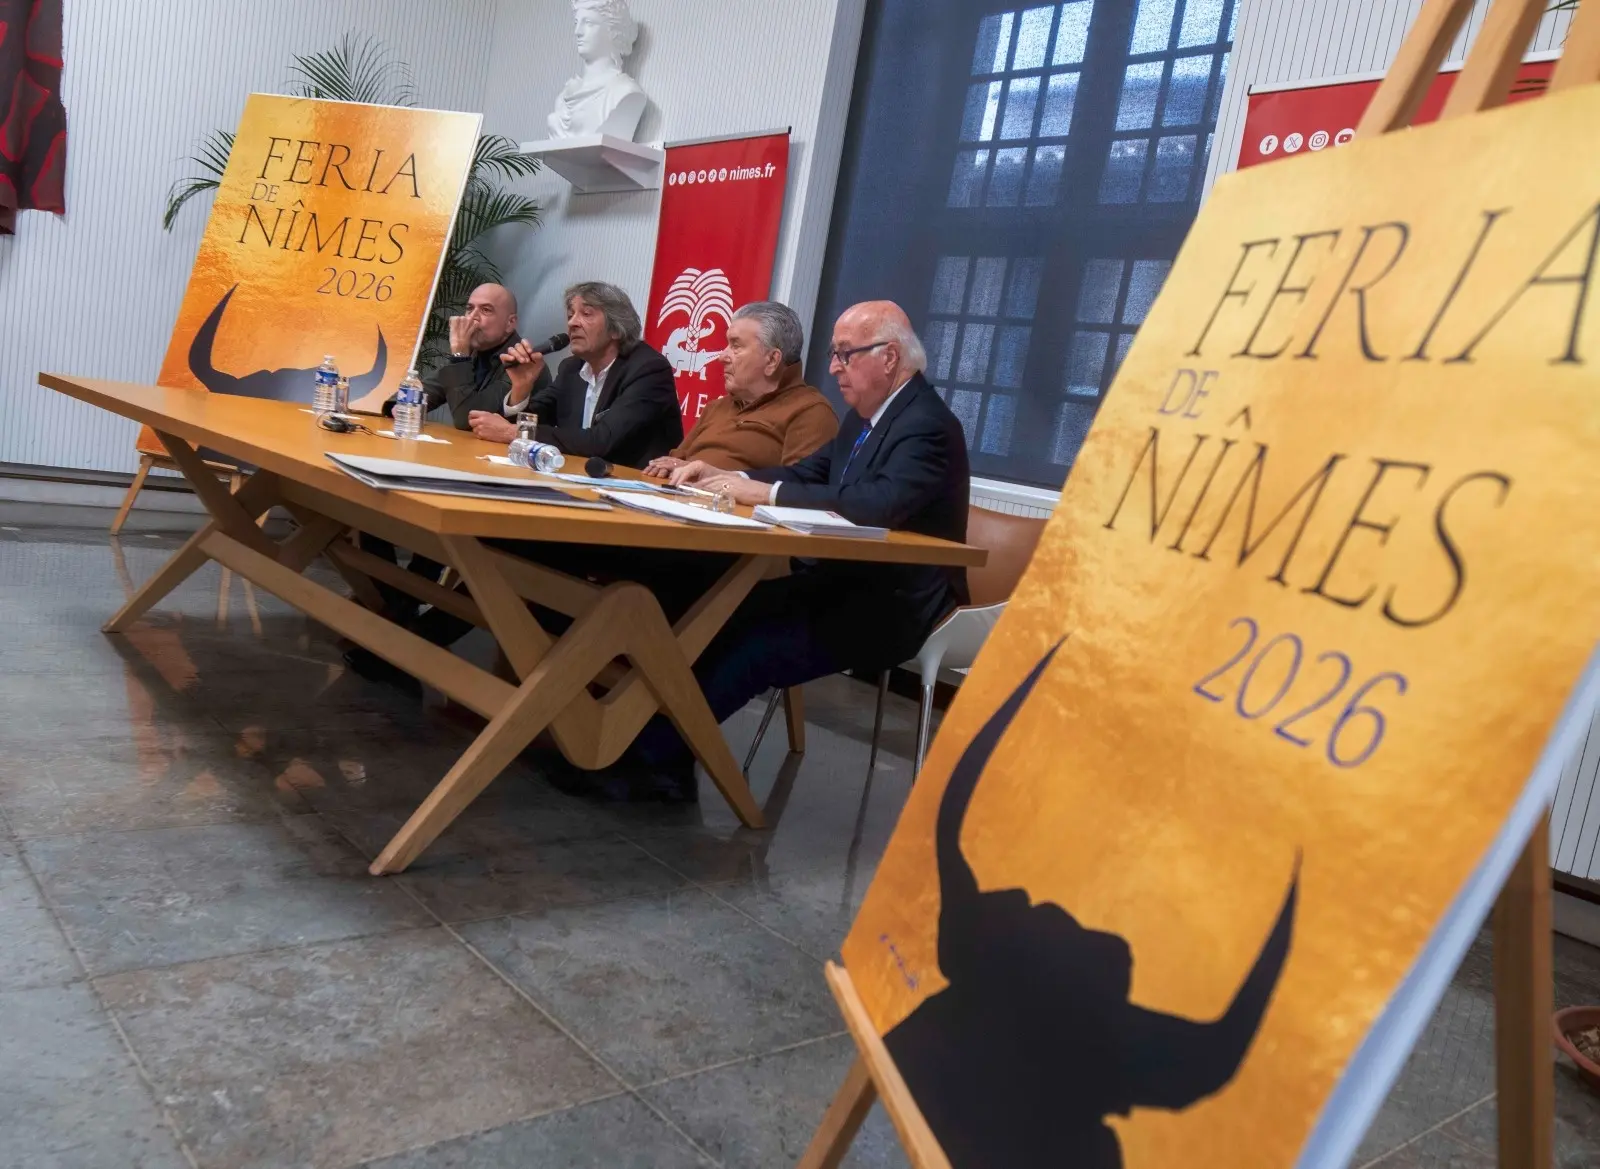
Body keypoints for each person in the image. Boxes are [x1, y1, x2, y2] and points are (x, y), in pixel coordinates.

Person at [604, 299, 970, 802]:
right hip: (842, 579)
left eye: (845, 354)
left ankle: (648, 759)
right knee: (715, 612)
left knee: (757, 644)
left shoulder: (927, 424)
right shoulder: (866, 417)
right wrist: (731, 476)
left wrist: (766, 493)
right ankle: (659, 756)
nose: (833, 367)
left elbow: (878, 504)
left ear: (888, 357)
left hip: (895, 602)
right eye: (834, 353)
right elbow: (808, 474)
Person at [362, 282, 552, 618]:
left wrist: (460, 355)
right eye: (469, 308)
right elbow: (419, 392)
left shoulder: (521, 363)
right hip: (465, 471)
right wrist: (399, 405)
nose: (473, 318)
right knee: (368, 506)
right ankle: (395, 606)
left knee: (438, 530)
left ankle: (397, 612)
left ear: (510, 323)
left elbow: (469, 419)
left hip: (505, 489)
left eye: (486, 310)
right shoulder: (473, 355)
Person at [464, 281, 681, 469]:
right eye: (570, 315)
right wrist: (522, 387)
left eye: (586, 314)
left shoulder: (648, 369)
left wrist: (515, 433)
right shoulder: (572, 368)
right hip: (579, 476)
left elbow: (601, 441)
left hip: (635, 486)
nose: (572, 323)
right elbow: (525, 421)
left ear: (616, 328)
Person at [643, 301, 838, 479]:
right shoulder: (717, 406)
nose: (722, 357)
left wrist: (715, 476)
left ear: (772, 360)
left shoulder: (810, 412)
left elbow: (797, 490)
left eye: (735, 346)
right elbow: (674, 462)